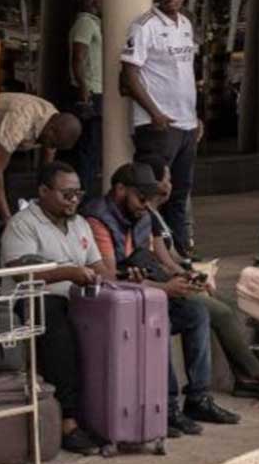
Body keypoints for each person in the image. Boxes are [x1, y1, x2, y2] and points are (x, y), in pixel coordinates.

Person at [82, 163, 239, 434]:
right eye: (141, 198)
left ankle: (198, 398)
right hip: (114, 302)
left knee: (196, 314)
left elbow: (148, 262)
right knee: (159, 322)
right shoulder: (97, 218)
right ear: (120, 190)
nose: (146, 205)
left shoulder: (142, 215)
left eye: (150, 199)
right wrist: (163, 289)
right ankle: (166, 407)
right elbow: (107, 277)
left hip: (143, 294)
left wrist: (181, 278)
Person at [143, 168, 259, 401]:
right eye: (167, 179)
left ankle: (244, 378)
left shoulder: (157, 215)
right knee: (220, 313)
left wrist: (194, 272)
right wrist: (187, 275)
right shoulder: (146, 217)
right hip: (165, 284)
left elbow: (172, 256)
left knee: (226, 306)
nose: (171, 184)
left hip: (177, 276)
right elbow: (163, 262)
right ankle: (255, 371)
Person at [0, 160, 110, 454]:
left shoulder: (80, 223)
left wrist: (98, 276)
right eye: (66, 194)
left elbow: (99, 266)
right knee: (56, 324)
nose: (73, 200)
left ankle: (108, 415)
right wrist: (69, 272)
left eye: (78, 194)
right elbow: (22, 272)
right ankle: (68, 422)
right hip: (31, 301)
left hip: (76, 299)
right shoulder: (23, 224)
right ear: (44, 191)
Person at [121, 0, 202, 254]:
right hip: (158, 126)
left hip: (186, 124)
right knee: (151, 193)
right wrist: (154, 112)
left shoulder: (186, 25)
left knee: (179, 193)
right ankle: (148, 251)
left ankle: (179, 252)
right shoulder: (144, 26)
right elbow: (129, 75)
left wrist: (195, 117)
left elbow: (184, 73)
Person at [0, 92, 82, 226]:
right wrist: (8, 220)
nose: (51, 147)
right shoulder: (20, 119)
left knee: (6, 199)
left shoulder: (53, 122)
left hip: (0, 143)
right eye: (53, 143)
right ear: (51, 131)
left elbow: (47, 171)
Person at [67, 0, 105, 194]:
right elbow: (78, 56)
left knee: (92, 148)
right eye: (101, 1)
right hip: (90, 90)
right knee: (88, 149)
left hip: (95, 89)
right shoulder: (85, 23)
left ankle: (86, 191)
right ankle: (85, 194)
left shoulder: (93, 23)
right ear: (93, 3)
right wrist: (83, 87)